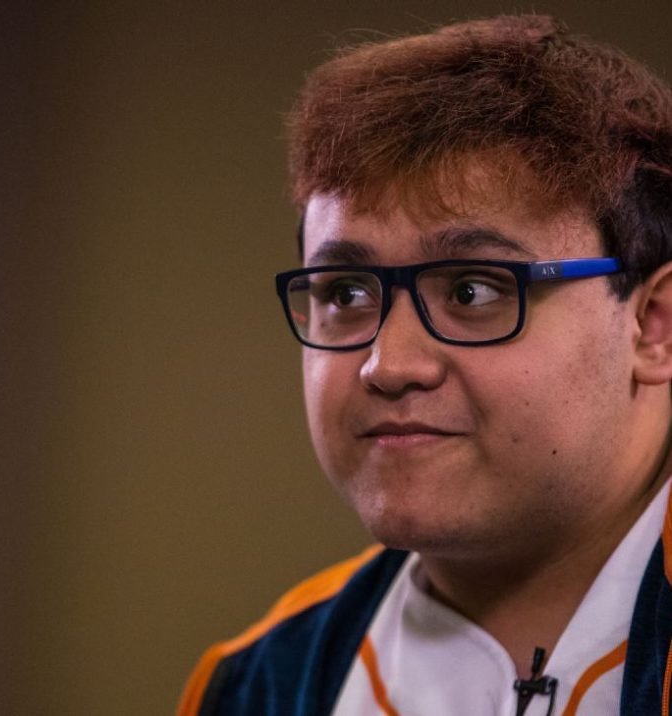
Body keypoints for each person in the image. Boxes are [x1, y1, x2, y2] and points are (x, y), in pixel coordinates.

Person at [178, 14, 672, 715]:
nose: (389, 365)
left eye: (474, 290)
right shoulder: (256, 687)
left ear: (654, 326)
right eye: (346, 294)